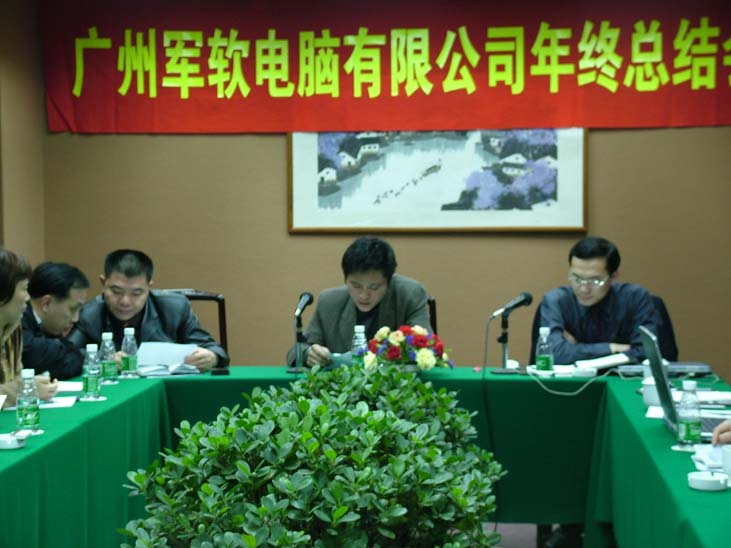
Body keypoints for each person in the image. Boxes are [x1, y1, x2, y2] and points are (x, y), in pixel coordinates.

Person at [68, 249, 228, 371]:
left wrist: (212, 357)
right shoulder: (89, 314)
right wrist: (103, 359)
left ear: (149, 287)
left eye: (136, 293)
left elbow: (214, 349)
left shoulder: (174, 308)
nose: (125, 301)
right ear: (103, 283)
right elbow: (66, 355)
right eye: (116, 291)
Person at [287, 236, 431, 367]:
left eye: (374, 287)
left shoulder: (409, 295)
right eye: (356, 285)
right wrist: (308, 354)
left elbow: (427, 345)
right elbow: (297, 350)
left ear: (389, 282)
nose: (364, 295)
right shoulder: (329, 302)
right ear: (346, 279)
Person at [538, 236, 658, 365]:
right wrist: (612, 348)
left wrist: (575, 349)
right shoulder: (556, 301)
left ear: (614, 277)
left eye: (594, 281)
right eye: (576, 278)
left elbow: (646, 353)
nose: (583, 289)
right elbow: (554, 354)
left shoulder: (636, 298)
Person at [0, 248, 58, 408]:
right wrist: (23, 390)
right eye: (25, 289)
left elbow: (16, 378)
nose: (28, 298)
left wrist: (30, 385)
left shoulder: (13, 328)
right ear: (3, 293)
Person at [22, 261, 89, 379]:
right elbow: (29, 355)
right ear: (46, 303)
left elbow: (75, 359)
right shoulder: (16, 318)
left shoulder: (48, 326)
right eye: (73, 309)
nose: (76, 319)